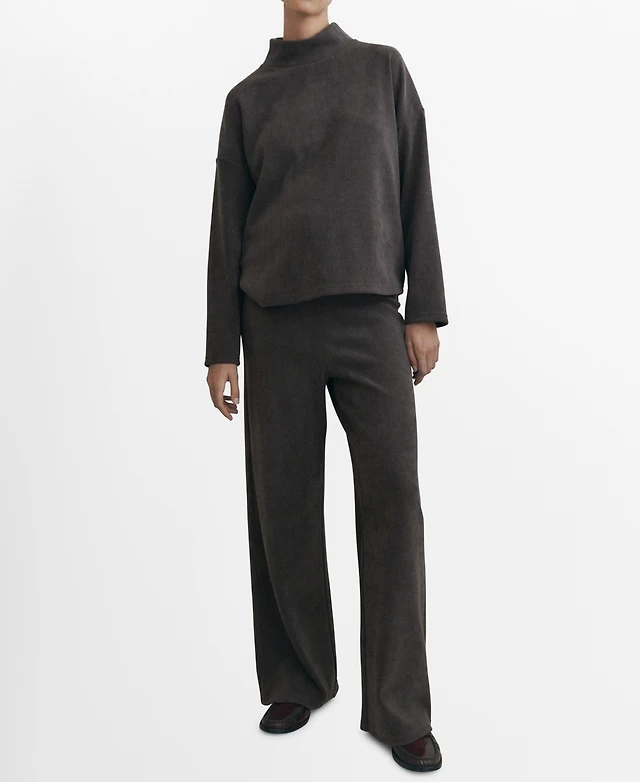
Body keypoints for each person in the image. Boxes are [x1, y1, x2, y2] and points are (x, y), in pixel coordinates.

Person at [204, 1, 448, 772]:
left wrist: (424, 308)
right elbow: (227, 226)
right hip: (273, 324)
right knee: (282, 509)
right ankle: (297, 678)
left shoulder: (382, 70)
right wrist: (221, 348)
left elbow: (415, 181)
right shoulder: (248, 99)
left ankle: (400, 708)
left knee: (394, 507)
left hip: (371, 316)